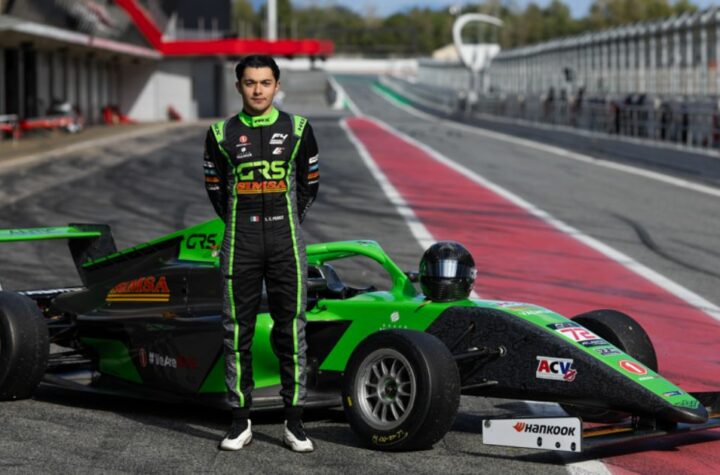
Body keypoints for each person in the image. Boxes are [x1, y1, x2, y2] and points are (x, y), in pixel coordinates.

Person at [203, 55, 319, 453]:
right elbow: (216, 189)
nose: (257, 90)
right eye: (250, 82)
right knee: (236, 332)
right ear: (238, 86)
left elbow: (309, 184)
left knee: (292, 330)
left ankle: (295, 422)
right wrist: (241, 222)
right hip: (241, 242)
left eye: (265, 82)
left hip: (286, 241)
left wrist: (288, 222)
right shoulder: (220, 133)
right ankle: (240, 421)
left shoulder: (298, 128)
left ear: (276, 85)